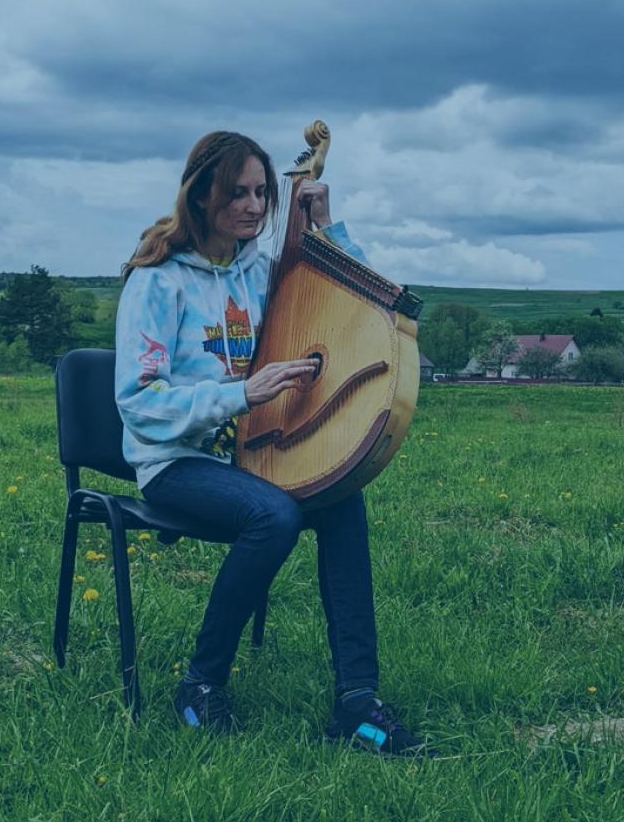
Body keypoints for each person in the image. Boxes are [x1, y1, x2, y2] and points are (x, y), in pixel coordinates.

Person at [114, 131, 428, 757]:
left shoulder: (263, 269)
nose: (255, 206)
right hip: (176, 462)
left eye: (262, 192)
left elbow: (367, 298)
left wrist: (328, 229)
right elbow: (139, 403)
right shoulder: (158, 283)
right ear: (201, 196)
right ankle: (201, 685)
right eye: (238, 193)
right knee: (275, 515)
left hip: (253, 454)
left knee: (342, 499)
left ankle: (357, 704)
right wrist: (242, 394)